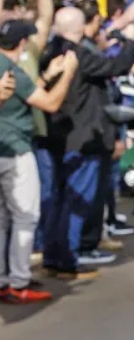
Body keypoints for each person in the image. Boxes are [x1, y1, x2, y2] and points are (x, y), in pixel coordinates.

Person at [40, 8, 134, 279]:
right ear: (82, 28)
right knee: (75, 200)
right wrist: (130, 41)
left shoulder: (51, 50)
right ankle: (67, 261)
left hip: (59, 136)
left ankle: (54, 258)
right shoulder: (79, 55)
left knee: (60, 202)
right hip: (82, 140)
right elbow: (116, 66)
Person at [0, 19, 78, 302]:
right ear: (22, 43)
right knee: (25, 217)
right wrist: (67, 73)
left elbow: (25, 93)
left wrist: (46, 76)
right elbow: (50, 103)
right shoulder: (11, 69)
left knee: (3, 220)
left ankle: (4, 279)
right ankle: (18, 283)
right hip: (15, 151)